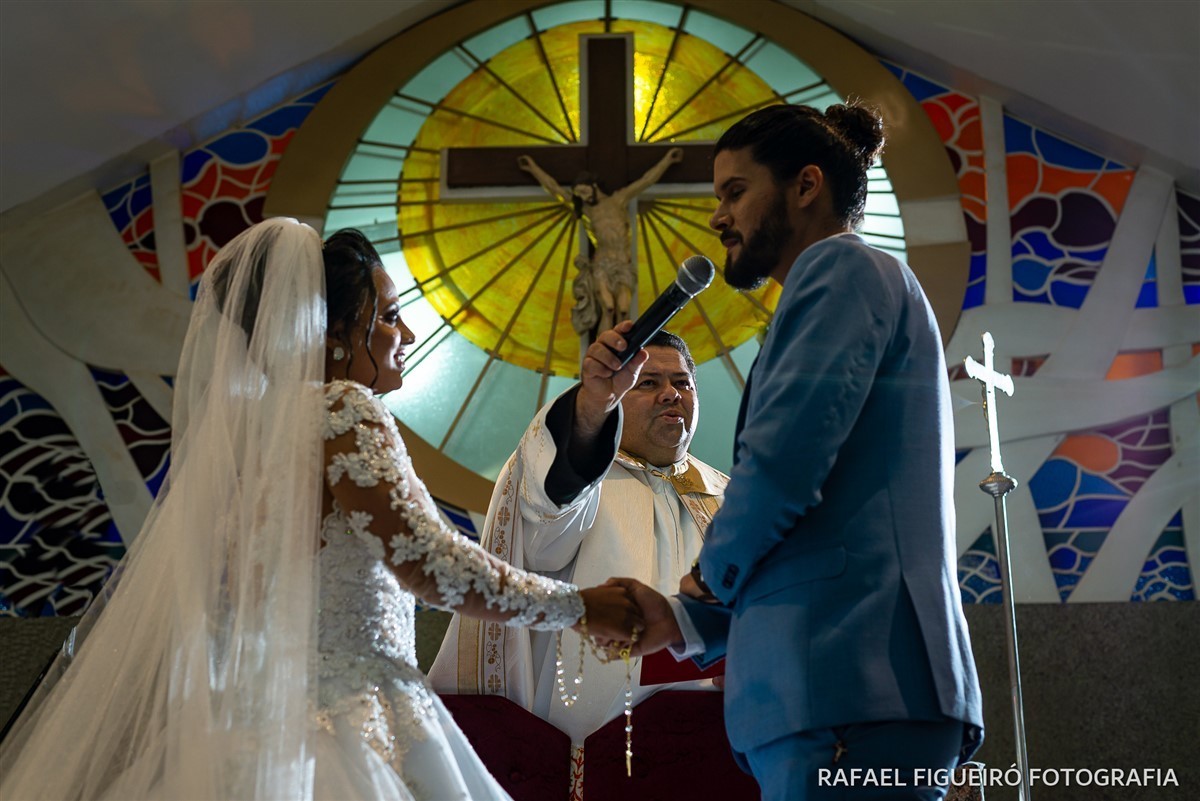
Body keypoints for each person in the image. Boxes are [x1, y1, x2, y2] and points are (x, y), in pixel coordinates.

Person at [0, 219, 643, 801]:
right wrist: (580, 607)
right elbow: (430, 563)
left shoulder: (247, 441)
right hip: (349, 724)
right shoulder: (342, 408)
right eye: (389, 316)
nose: (407, 335)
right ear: (332, 332)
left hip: (255, 724)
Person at [615, 103, 984, 800]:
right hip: (839, 683)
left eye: (735, 192)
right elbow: (822, 516)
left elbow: (784, 465)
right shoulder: (849, 282)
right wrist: (683, 619)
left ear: (806, 185)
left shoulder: (841, 269)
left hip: (850, 673)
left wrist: (708, 576)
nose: (719, 217)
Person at [430, 328, 727, 796]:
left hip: (714, 748)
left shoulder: (728, 494)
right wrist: (590, 417)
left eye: (682, 383)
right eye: (648, 383)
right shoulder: (576, 478)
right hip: (592, 751)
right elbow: (544, 534)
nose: (671, 394)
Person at [519, 148, 684, 335]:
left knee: (623, 310)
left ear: (593, 185)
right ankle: (602, 347)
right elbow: (555, 189)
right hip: (602, 264)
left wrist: (668, 160)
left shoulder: (618, 199)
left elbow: (646, 180)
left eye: (584, 191)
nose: (583, 197)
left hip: (623, 264)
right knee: (608, 308)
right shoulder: (588, 211)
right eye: (579, 195)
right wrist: (533, 168)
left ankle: (623, 349)